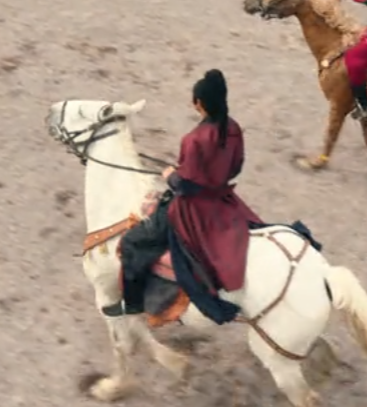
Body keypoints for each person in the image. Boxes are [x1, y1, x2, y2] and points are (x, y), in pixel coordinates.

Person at [106, 69, 261, 321]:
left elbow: (185, 186)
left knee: (133, 242)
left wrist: (171, 175)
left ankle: (132, 303)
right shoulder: (233, 128)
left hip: (193, 210)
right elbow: (236, 167)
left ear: (199, 104)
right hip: (222, 200)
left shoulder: (194, 139)